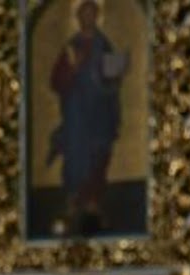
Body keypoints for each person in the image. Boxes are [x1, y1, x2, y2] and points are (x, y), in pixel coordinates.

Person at [47, 0, 123, 237]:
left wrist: (113, 75)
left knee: (98, 158)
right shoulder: (72, 47)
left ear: (97, 17)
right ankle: (73, 203)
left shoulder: (104, 45)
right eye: (83, 15)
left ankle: (93, 205)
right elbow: (56, 81)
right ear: (78, 18)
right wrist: (74, 67)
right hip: (77, 114)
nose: (87, 19)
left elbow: (112, 81)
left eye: (91, 14)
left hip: (100, 113)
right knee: (76, 157)